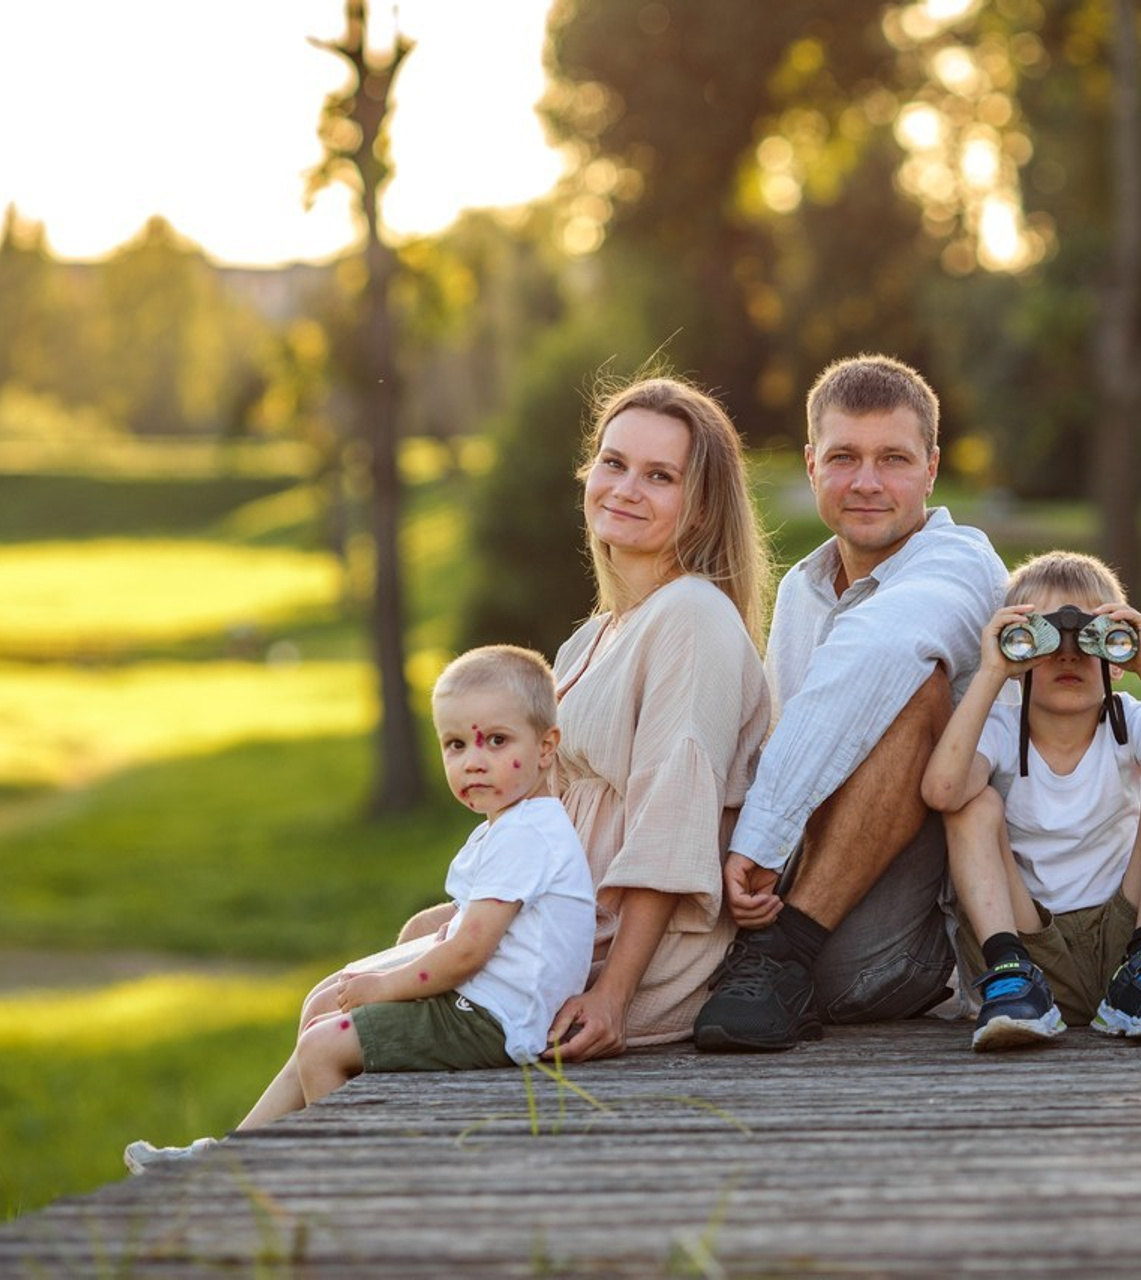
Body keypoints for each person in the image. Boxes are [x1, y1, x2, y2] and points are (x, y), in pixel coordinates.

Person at [125, 644, 595, 1171]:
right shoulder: (516, 823)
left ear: (546, 747)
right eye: (456, 744)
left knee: (325, 1049)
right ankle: (235, 1157)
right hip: (490, 1006)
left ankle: (347, 1178)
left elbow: (468, 952)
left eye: (496, 740)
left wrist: (386, 986)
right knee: (325, 1004)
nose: (473, 761)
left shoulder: (525, 834)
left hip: (498, 1020)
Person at [694, 353, 1007, 1052]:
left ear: (930, 468)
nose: (866, 482)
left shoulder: (963, 566)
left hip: (896, 950)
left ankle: (784, 956)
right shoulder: (805, 587)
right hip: (776, 902)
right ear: (811, 467)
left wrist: (760, 841)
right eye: (844, 458)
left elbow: (883, 648)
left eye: (893, 459)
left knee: (914, 685)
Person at [540, 374, 773, 1061]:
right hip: (566, 924)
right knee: (399, 950)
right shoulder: (592, 637)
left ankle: (224, 1166)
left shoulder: (693, 617)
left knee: (339, 1021)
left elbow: (673, 820)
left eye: (660, 476)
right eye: (613, 463)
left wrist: (613, 995)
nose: (625, 488)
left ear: (700, 508)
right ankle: (224, 1162)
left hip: (634, 958)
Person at [920, 550, 1141, 1050]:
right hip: (1025, 944)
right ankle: (1008, 976)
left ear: (1117, 652)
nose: (1068, 654)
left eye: (1090, 637)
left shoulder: (1126, 719)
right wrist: (992, 672)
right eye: (1040, 638)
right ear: (1015, 650)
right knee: (973, 805)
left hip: (1124, 944)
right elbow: (942, 792)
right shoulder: (999, 726)